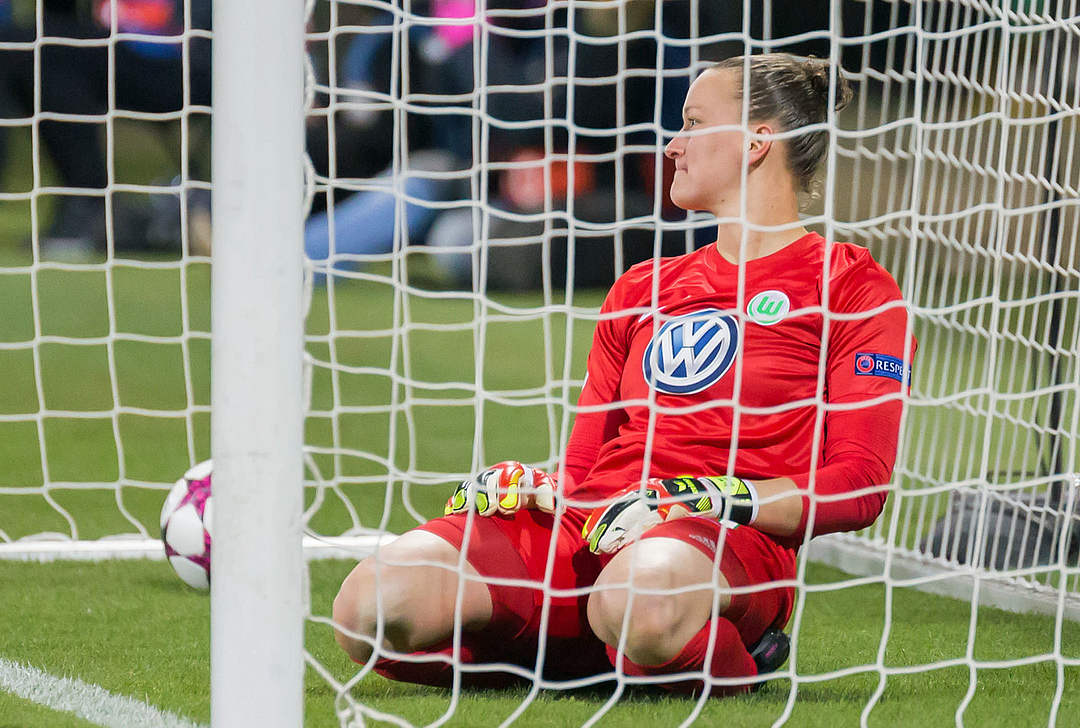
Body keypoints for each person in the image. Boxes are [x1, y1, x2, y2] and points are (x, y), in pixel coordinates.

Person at [331, 52, 916, 695]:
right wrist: (535, 483)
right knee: (372, 609)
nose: (673, 145)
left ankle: (683, 643)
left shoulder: (853, 285)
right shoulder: (645, 285)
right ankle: (605, 650)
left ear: (757, 140)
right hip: (594, 528)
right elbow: (583, 471)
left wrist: (712, 497)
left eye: (693, 123)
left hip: (720, 541)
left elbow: (858, 485)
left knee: (644, 595)